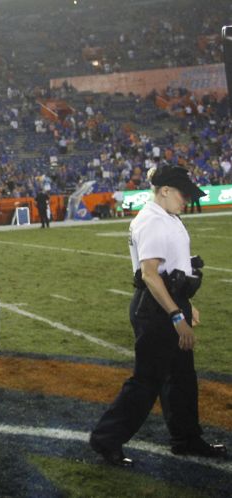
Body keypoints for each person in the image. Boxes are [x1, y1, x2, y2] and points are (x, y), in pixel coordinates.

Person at [89, 166, 226, 466]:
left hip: (168, 302)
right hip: (157, 310)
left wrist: (186, 306)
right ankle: (106, 439)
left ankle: (186, 438)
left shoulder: (167, 217)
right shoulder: (152, 221)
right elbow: (150, 275)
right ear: (164, 190)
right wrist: (178, 316)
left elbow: (171, 268)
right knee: (147, 381)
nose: (187, 199)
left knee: (181, 378)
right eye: (183, 193)